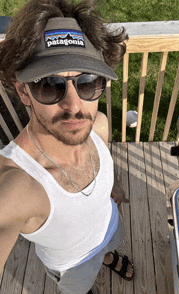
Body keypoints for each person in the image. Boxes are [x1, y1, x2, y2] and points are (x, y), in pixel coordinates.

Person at [0, 0, 134, 293]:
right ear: (24, 90)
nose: (75, 106)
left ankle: (109, 256)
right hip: (74, 264)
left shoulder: (97, 124)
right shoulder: (17, 186)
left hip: (109, 224)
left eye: (87, 82)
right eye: (50, 83)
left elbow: (104, 164)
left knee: (110, 245)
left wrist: (114, 187)